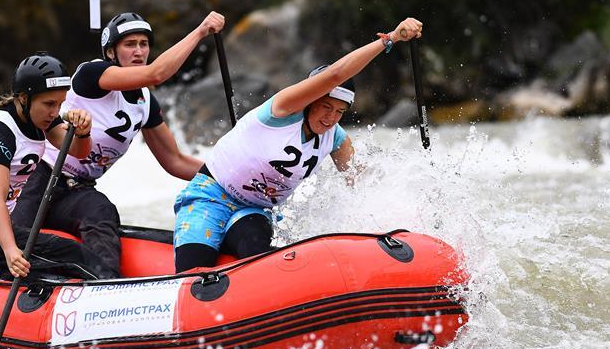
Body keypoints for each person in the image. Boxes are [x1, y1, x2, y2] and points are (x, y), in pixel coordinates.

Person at [173, 18, 424, 272]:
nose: (331, 118)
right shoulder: (281, 110)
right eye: (326, 107)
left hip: (255, 210)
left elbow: (359, 183)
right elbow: (337, 74)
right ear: (309, 100)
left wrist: (408, 214)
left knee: (257, 250)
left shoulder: (336, 138)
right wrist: (390, 38)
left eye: (339, 111)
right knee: (193, 271)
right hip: (210, 196)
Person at [12, 11, 225, 277]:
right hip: (39, 176)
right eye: (130, 44)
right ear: (112, 53)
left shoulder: (146, 103)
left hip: (77, 190)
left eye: (144, 44)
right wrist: (201, 30)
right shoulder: (93, 74)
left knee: (101, 210)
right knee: (16, 238)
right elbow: (156, 74)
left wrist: (228, 176)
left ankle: (103, 286)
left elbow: (175, 161)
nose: (139, 51)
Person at [0, 53, 116, 280]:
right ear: (23, 98)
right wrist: (11, 251)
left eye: (60, 104)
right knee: (71, 254)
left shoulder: (39, 118)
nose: (55, 111)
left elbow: (79, 152)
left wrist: (83, 132)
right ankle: (113, 290)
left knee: (62, 254)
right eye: (49, 104)